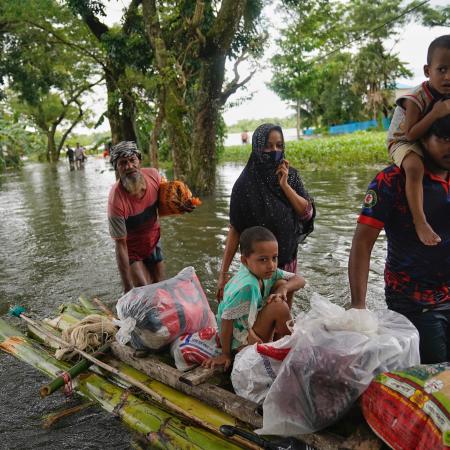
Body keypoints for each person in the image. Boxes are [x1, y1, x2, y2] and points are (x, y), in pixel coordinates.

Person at [349, 113, 450, 364]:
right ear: (423, 138)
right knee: (434, 375)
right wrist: (358, 306)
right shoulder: (392, 181)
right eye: (444, 139)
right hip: (414, 300)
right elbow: (362, 243)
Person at [217, 123, 315, 305]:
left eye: (279, 146)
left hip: (287, 258)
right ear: (257, 147)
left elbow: (306, 212)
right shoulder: (244, 185)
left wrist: (285, 186)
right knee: (256, 316)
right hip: (257, 265)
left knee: (283, 311)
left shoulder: (290, 176)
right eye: (268, 146)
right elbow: (235, 230)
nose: (274, 151)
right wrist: (223, 274)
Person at [204, 226, 305, 370]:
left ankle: (282, 342)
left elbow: (300, 280)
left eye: (274, 258)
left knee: (282, 283)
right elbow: (226, 319)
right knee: (278, 306)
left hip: (250, 327)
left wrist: (284, 288)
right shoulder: (248, 285)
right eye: (263, 259)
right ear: (245, 260)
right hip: (238, 344)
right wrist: (225, 354)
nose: (271, 265)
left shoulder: (265, 271)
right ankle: (291, 351)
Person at [386, 34, 450, 246]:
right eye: (442, 70)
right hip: (403, 140)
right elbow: (411, 134)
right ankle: (420, 220)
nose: (448, 77)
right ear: (427, 71)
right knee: (414, 167)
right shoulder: (416, 98)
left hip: (430, 141)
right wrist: (435, 113)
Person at [108, 141, 165, 293]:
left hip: (153, 241)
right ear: (117, 168)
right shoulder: (116, 199)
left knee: (160, 286)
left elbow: (168, 205)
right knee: (143, 289)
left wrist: (183, 204)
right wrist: (127, 286)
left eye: (132, 160)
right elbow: (120, 245)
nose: (129, 166)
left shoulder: (154, 176)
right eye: (122, 163)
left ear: (139, 160)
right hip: (132, 250)